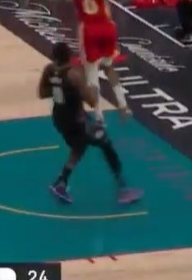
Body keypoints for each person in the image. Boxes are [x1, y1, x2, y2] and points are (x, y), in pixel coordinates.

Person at [38, 42, 142, 204]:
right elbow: (92, 101)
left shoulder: (49, 70)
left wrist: (62, 91)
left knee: (79, 146)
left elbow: (42, 92)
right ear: (70, 56)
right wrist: (91, 88)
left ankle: (61, 182)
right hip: (78, 121)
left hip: (59, 118)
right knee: (106, 144)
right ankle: (123, 189)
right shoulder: (74, 75)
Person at [40, 0, 130, 124]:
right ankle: (123, 104)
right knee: (109, 67)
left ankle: (99, 115)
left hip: (89, 29)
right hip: (106, 27)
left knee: (92, 74)